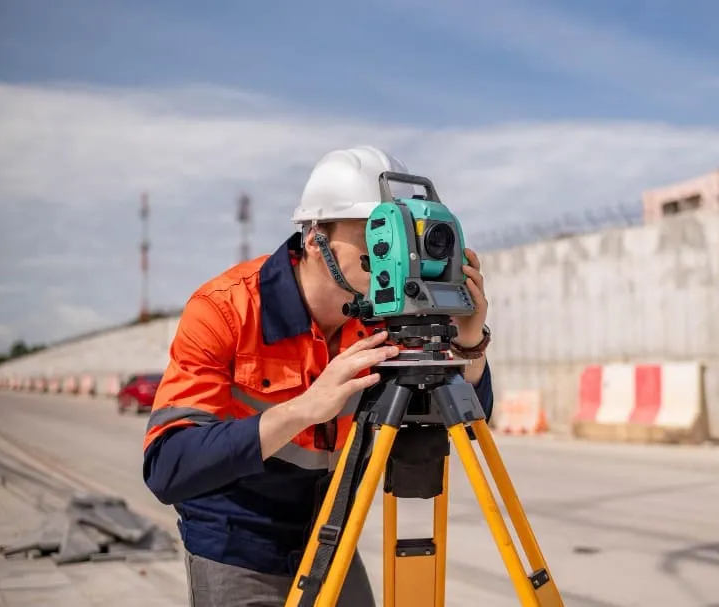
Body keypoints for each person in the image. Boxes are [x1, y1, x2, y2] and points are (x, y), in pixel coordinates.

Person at [141, 145, 494, 606]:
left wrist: (468, 343)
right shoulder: (226, 310)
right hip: (237, 547)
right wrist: (305, 408)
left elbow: (468, 422)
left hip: (330, 539)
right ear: (314, 237)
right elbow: (169, 467)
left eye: (401, 230)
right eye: (373, 230)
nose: (393, 249)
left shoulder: (384, 317)